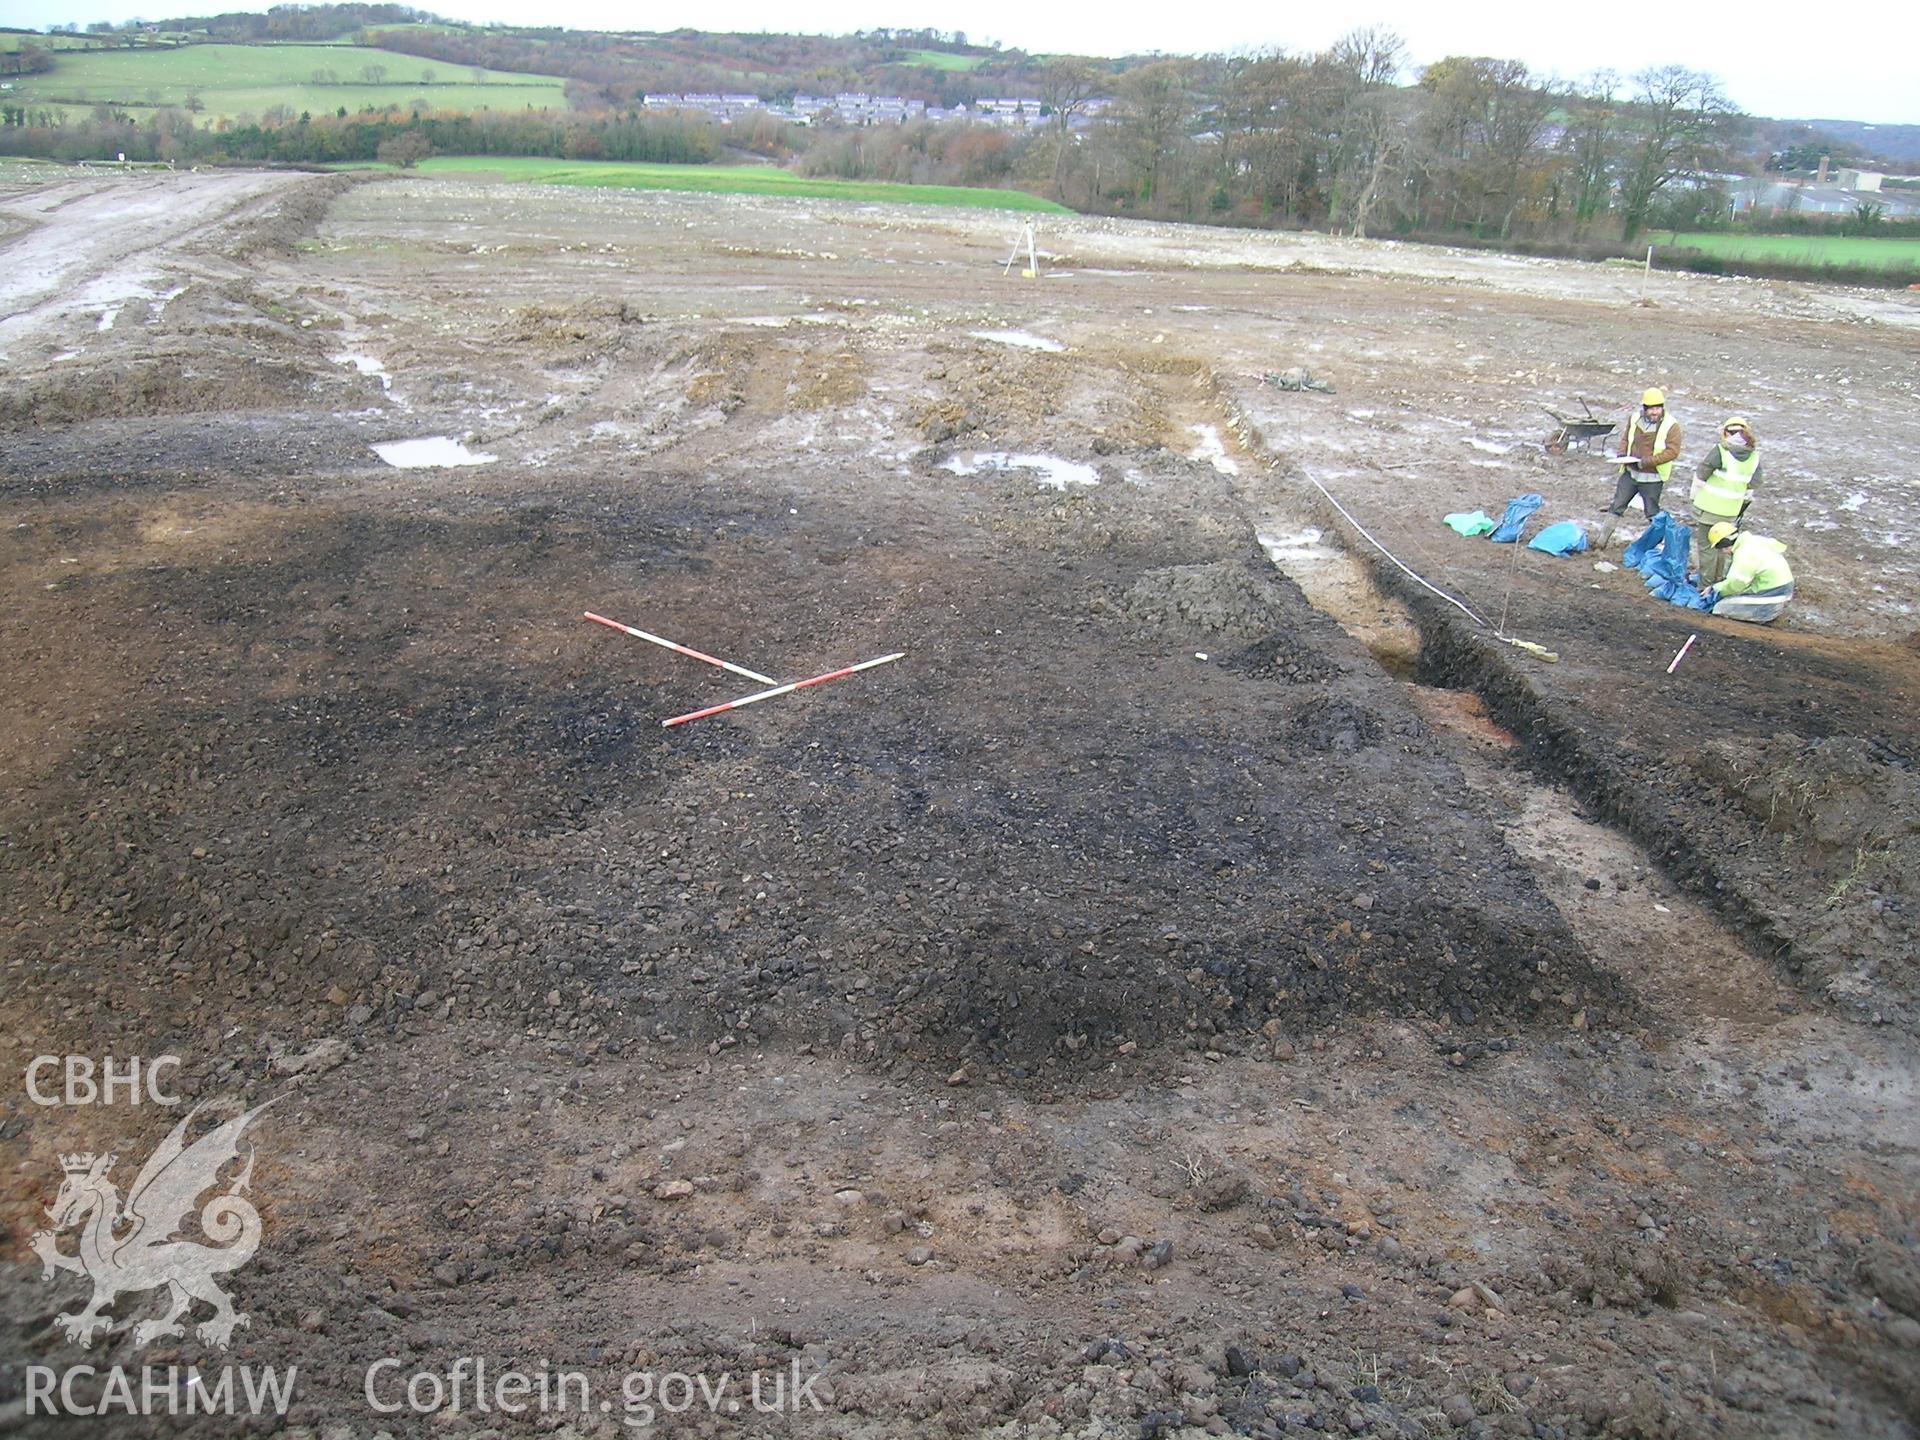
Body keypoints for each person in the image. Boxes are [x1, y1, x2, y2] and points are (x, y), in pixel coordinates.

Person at [1690, 416, 1762, 586]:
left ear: (1725, 433)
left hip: (1709, 510)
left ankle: (1705, 586)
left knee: (1707, 548)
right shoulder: (1754, 457)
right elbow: (1756, 482)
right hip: (1731, 512)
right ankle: (1721, 583)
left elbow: (1702, 473)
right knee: (1725, 549)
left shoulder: (1721, 451)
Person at [1603, 388, 1683, 529]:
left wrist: (1646, 462)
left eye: (1658, 408)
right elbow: (1626, 439)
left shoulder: (1671, 425)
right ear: (1644, 408)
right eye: (1651, 408)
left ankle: (1654, 545)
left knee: (1652, 514)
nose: (1654, 412)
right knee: (1616, 507)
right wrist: (1622, 455)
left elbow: (1672, 452)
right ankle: (1600, 542)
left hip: (1652, 478)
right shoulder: (1634, 419)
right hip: (1630, 473)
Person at [1704, 522, 1794, 624]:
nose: (1722, 552)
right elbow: (1780, 547)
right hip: (1784, 587)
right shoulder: (1752, 540)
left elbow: (1736, 585)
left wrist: (1715, 589)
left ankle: (1765, 617)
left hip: (1773, 594)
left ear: (1724, 545)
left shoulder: (1743, 554)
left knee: (1720, 607)